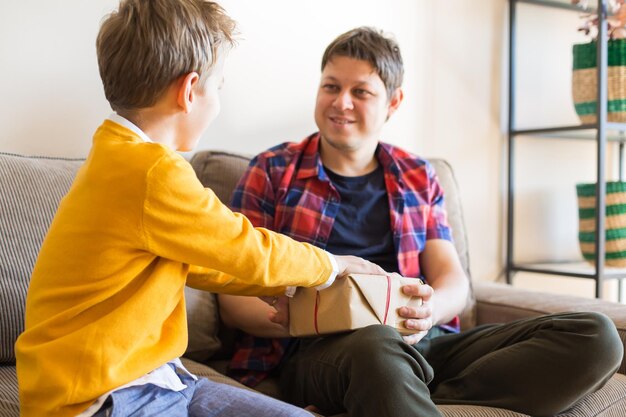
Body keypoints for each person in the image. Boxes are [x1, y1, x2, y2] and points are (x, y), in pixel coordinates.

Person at [219, 26, 624, 417]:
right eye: (331, 86)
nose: (341, 102)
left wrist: (427, 314)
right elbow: (234, 300)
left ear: (393, 102)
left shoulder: (417, 174)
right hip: (318, 350)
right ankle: (391, 384)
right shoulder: (273, 170)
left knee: (595, 336)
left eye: (360, 92)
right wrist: (315, 315)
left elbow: (453, 282)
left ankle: (400, 391)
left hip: (419, 341)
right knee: (376, 345)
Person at [14, 3, 385, 417]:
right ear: (190, 91)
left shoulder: (120, 157)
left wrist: (283, 290)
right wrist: (333, 265)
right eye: (219, 87)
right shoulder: (151, 171)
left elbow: (210, 262)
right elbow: (243, 247)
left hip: (159, 381)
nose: (218, 101)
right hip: (102, 396)